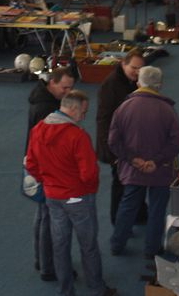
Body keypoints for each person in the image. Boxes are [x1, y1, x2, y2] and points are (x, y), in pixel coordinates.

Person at [26, 90, 117, 296]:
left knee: (60, 245)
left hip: (52, 197)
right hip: (78, 197)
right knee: (88, 245)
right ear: (73, 109)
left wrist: (47, 181)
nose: (84, 117)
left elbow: (31, 164)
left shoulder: (38, 130)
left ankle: (65, 290)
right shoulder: (77, 135)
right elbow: (89, 173)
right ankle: (96, 288)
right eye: (83, 112)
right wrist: (88, 189)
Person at [108, 66, 179, 260]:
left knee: (128, 206)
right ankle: (152, 249)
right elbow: (176, 142)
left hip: (133, 170)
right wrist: (155, 162)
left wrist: (133, 160)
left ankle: (117, 244)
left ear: (138, 82)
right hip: (160, 170)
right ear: (159, 85)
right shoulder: (167, 109)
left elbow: (113, 141)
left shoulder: (124, 108)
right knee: (158, 209)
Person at [27, 68, 76, 282]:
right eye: (64, 87)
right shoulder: (46, 109)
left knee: (42, 216)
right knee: (50, 221)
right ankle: (49, 268)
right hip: (48, 172)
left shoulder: (42, 98)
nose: (68, 92)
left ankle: (42, 260)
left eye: (71, 88)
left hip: (39, 168)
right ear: (52, 83)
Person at [95, 49, 145, 224]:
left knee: (136, 180)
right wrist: (109, 151)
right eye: (134, 68)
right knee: (120, 184)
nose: (137, 72)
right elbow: (103, 119)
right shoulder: (111, 85)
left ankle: (138, 213)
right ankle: (117, 220)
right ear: (123, 64)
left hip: (130, 141)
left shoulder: (133, 82)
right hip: (116, 145)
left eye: (140, 68)